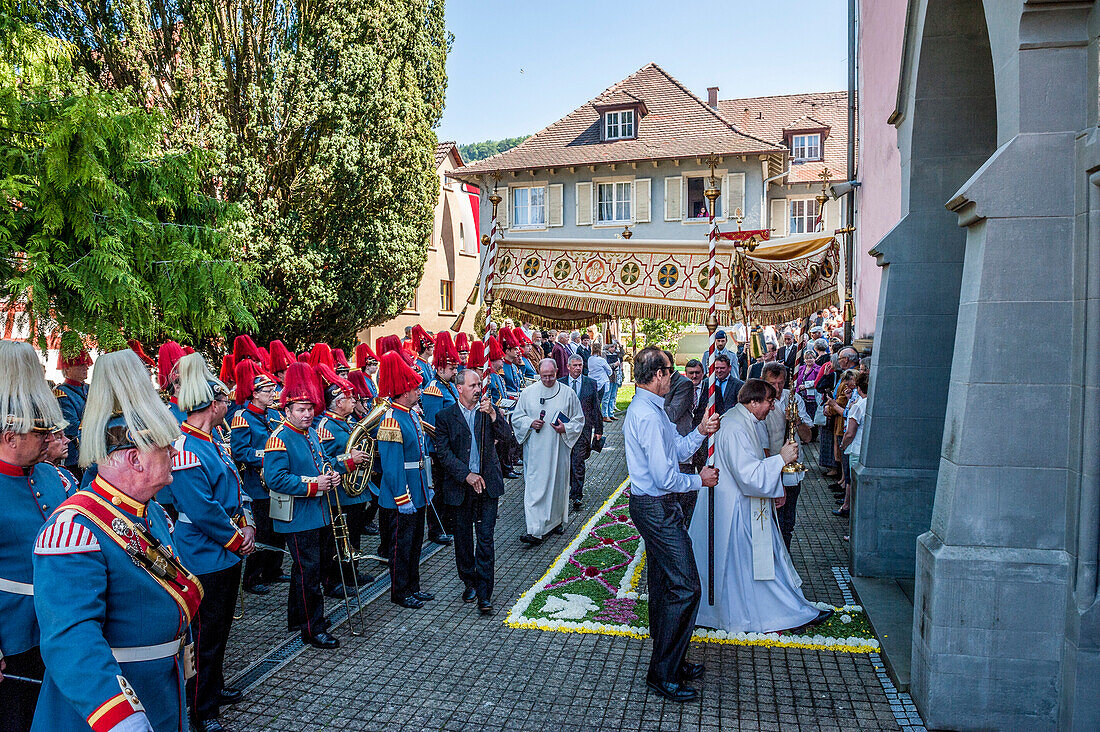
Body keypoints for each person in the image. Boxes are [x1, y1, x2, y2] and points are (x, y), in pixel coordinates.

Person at [31, 348, 200, 732]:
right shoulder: (74, 529)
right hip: (112, 702)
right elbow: (71, 639)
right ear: (135, 458)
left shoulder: (148, 510)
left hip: (159, 685)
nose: (174, 453)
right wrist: (121, 716)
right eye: (164, 447)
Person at [689, 378, 831, 636]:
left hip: (746, 506)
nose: (773, 407)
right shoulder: (734, 426)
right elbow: (748, 475)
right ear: (753, 402)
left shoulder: (745, 421)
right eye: (769, 401)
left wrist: (774, 486)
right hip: (734, 512)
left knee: (763, 563)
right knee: (751, 566)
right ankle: (776, 613)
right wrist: (781, 460)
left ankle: (786, 608)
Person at [623, 347, 720, 703]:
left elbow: (678, 450)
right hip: (655, 506)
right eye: (670, 371)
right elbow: (665, 477)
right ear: (658, 374)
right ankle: (662, 672)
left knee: (666, 585)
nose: (674, 376)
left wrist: (700, 430)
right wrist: (700, 480)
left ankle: (672, 661)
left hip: (658, 506)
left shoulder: (652, 409)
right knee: (686, 586)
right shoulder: (646, 414)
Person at [170, 352, 255, 732]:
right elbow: (202, 510)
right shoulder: (187, 447)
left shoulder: (212, 439)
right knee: (204, 637)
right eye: (221, 399)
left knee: (218, 632)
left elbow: (233, 490)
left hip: (224, 549)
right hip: (205, 553)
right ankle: (202, 710)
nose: (227, 404)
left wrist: (248, 524)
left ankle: (214, 689)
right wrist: (239, 540)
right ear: (210, 404)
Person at [0, 341, 68, 732]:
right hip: (12, 638)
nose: (49, 441)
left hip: (53, 628)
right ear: (11, 436)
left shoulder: (51, 477)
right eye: (41, 432)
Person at [263, 363, 341, 649]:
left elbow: (321, 463)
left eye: (309, 408)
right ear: (287, 411)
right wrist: (314, 485)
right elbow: (275, 479)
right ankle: (313, 627)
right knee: (309, 574)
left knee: (306, 570)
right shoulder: (279, 438)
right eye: (300, 409)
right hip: (297, 517)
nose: (307, 414)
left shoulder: (310, 434)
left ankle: (299, 616)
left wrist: (331, 473)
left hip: (317, 514)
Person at [432, 369, 510, 616]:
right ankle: (469, 581)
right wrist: (466, 474)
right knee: (463, 539)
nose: (478, 389)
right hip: (461, 487)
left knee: (485, 538)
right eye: (473, 385)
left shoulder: (487, 411)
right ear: (460, 388)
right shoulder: (445, 416)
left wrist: (495, 415)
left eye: (479, 385)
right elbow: (443, 454)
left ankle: (485, 594)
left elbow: (509, 439)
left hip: (488, 486)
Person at [375, 352, 436, 609]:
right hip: (402, 495)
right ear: (403, 392)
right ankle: (400, 592)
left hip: (417, 489)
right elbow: (392, 467)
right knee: (401, 548)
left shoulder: (409, 414)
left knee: (414, 545)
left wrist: (426, 487)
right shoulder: (392, 419)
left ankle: (413, 586)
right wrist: (402, 497)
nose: (418, 390)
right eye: (414, 388)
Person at [511, 359, 584, 544]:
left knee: (558, 485)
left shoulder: (568, 393)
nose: (548, 379)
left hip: (558, 449)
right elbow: (517, 417)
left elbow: (579, 419)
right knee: (534, 487)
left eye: (551, 375)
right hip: (536, 451)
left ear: (557, 371)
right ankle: (534, 530)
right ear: (539, 373)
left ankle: (556, 521)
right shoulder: (528, 393)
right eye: (544, 376)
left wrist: (565, 428)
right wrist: (530, 423)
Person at [315, 365, 375, 587]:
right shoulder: (325, 426)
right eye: (351, 398)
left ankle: (351, 573)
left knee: (354, 537)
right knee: (336, 540)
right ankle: (333, 580)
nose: (355, 401)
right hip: (338, 495)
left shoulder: (347, 422)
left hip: (355, 493)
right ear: (338, 401)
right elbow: (322, 462)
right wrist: (349, 460)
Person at [232, 359, 287, 595]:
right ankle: (252, 578)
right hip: (257, 484)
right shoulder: (243, 417)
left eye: (273, 390)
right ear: (254, 394)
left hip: (277, 481)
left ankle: (273, 570)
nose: (273, 394)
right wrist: (268, 456)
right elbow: (240, 451)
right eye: (268, 391)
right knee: (263, 531)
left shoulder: (274, 414)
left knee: (278, 529)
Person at [761, 362, 813, 550]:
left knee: (787, 520)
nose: (777, 388)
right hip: (768, 468)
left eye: (781, 383)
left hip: (792, 471)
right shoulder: (759, 403)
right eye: (772, 383)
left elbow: (808, 437)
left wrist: (797, 420)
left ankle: (786, 556)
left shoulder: (795, 399)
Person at [419, 332, 460, 546]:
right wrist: (439, 451)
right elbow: (433, 425)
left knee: (449, 489)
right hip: (438, 449)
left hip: (449, 447)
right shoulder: (434, 389)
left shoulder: (449, 386)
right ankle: (436, 530)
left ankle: (449, 524)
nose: (455, 371)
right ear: (440, 368)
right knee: (439, 492)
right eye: (452, 368)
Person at [562, 355, 601, 512]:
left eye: (580, 365)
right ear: (568, 366)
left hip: (583, 430)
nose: (578, 368)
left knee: (578, 462)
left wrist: (598, 430)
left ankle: (577, 495)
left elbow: (595, 408)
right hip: (564, 430)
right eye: (575, 365)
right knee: (566, 462)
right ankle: (566, 491)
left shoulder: (590, 383)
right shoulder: (561, 384)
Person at [52, 333, 92, 479]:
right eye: (80, 364)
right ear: (67, 369)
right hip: (76, 455)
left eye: (85, 363)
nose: (86, 367)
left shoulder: (89, 388)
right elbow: (71, 426)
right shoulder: (61, 392)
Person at [837, 371, 869, 521]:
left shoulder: (858, 406)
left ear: (858, 387)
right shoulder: (871, 403)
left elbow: (850, 432)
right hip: (867, 448)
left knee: (854, 486)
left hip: (856, 449)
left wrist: (843, 445)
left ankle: (853, 527)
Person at [587, 342, 613, 422]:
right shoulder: (601, 360)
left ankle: (594, 416)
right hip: (602, 382)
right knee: (603, 400)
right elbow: (609, 371)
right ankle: (602, 415)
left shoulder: (590, 359)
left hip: (592, 382)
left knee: (594, 401)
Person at [604, 341, 624, 419]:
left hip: (616, 376)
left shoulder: (616, 354)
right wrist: (614, 365)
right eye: (611, 347)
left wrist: (620, 345)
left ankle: (611, 413)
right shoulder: (605, 354)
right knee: (607, 396)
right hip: (609, 377)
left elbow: (622, 354)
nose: (613, 349)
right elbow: (605, 366)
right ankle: (605, 414)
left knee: (613, 395)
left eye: (614, 347)